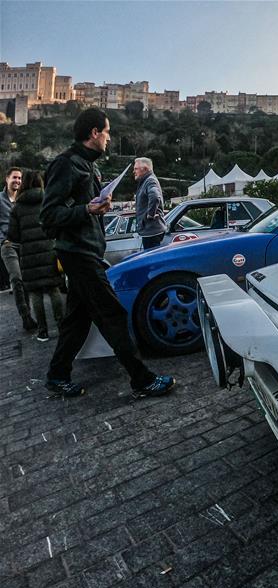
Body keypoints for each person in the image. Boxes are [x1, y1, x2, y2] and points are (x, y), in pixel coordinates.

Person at [41, 107, 176, 398]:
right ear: (94, 133)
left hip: (87, 250)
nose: (109, 139)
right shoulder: (66, 164)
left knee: (77, 319)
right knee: (112, 313)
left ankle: (57, 374)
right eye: (107, 132)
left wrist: (101, 205)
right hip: (77, 253)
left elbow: (85, 209)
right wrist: (88, 208)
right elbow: (48, 215)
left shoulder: (91, 167)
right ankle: (141, 379)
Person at [6, 171, 65, 342]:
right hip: (49, 251)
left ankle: (43, 331)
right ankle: (61, 326)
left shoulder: (17, 207)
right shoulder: (47, 200)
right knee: (54, 289)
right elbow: (55, 224)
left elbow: (13, 235)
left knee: (36, 293)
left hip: (29, 257)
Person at [1, 166, 38, 329]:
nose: (17, 180)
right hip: (8, 245)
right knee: (16, 278)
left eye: (20, 178)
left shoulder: (24, 199)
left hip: (25, 245)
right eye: (14, 177)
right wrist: (2, 240)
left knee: (27, 281)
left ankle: (29, 313)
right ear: (7, 179)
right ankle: (26, 316)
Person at [132, 157, 167, 249]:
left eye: (136, 169)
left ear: (145, 169)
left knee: (153, 261)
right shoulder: (147, 181)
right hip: (151, 231)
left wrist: (150, 214)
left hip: (152, 231)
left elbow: (155, 196)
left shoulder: (150, 181)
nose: (133, 171)